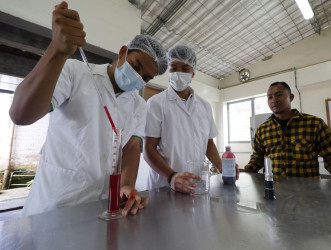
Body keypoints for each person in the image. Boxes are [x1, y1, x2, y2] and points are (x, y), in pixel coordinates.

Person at [9, 2, 168, 216]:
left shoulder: (139, 105)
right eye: (136, 65)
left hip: (100, 210)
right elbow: (21, 114)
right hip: (54, 207)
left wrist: (127, 185)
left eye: (146, 77)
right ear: (122, 52)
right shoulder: (75, 72)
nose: (139, 77)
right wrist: (56, 51)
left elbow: (131, 148)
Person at [144, 45, 239, 194]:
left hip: (196, 184)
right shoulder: (156, 104)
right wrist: (171, 176)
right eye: (174, 68)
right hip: (164, 185)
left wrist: (222, 166)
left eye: (185, 68)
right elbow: (148, 149)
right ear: (168, 71)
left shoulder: (204, 106)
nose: (179, 73)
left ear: (193, 73)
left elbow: (208, 143)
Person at [244, 81, 331, 182]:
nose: (274, 100)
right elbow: (257, 160)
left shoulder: (314, 124)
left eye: (278, 95)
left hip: (307, 195)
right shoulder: (263, 130)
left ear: (291, 97)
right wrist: (240, 172)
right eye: (270, 97)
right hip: (274, 193)